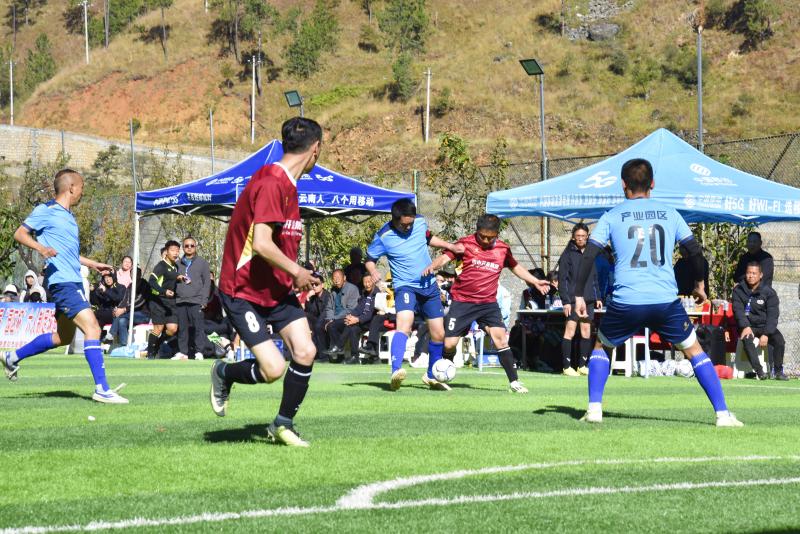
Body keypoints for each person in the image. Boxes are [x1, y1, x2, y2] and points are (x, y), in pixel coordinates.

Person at [573, 158, 742, 427]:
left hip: (627, 300)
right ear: (652, 183)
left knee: (601, 346)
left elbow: (589, 254)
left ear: (623, 185)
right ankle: (722, 414)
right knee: (694, 350)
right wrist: (700, 283)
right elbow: (694, 251)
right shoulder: (670, 213)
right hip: (664, 301)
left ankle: (594, 409)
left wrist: (578, 295)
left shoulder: (612, 215)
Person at [210, 116, 321, 447]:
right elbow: (261, 244)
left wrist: (295, 276)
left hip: (275, 290)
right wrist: (297, 271)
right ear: (316, 149)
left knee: (305, 351)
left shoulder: (287, 185)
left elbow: (279, 244)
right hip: (242, 290)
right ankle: (223, 373)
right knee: (273, 369)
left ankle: (282, 425)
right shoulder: (273, 182)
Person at [2, 168, 128, 403]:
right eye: (81, 188)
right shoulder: (46, 210)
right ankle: (102, 388)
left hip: (71, 280)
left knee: (63, 337)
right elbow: (20, 234)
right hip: (62, 283)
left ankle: (12, 357)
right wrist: (41, 248)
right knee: (93, 328)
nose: (82, 192)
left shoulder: (69, 216)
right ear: (71, 188)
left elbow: (69, 254)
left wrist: (93, 264)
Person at [426, 213, 549, 393]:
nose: (485, 240)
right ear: (477, 231)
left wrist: (535, 281)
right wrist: (433, 266)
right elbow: (445, 257)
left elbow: (515, 267)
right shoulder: (465, 244)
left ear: (497, 234)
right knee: (449, 344)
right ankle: (442, 374)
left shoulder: (503, 249)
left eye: (490, 237)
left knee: (500, 338)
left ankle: (514, 382)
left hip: (488, 303)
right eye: (482, 236)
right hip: (463, 302)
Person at [365, 198, 462, 391]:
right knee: (405, 324)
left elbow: (428, 238)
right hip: (405, 286)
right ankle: (395, 371)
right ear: (394, 220)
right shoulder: (383, 236)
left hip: (429, 286)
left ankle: (431, 375)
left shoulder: (419, 221)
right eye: (404, 225)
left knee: (439, 333)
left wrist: (450, 246)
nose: (408, 227)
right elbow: (369, 259)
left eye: (410, 223)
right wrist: (373, 271)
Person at [558, 223, 602, 377]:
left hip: (589, 299)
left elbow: (594, 277)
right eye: (578, 236)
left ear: (588, 237)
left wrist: (598, 297)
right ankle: (566, 367)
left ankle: (582, 366)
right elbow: (562, 280)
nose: (581, 239)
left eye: (583, 236)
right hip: (572, 300)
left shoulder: (590, 254)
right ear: (573, 237)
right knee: (569, 331)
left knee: (586, 332)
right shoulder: (567, 255)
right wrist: (565, 301)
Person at [731, 262, 787, 381]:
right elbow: (738, 311)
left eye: (754, 273)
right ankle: (759, 371)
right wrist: (745, 326)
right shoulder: (738, 290)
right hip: (747, 326)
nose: (750, 276)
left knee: (779, 340)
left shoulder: (769, 292)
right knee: (747, 339)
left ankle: (778, 371)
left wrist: (766, 333)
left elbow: (773, 315)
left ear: (760, 275)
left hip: (764, 326)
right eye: (748, 273)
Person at [329, 273, 380, 364]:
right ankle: (354, 357)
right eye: (365, 282)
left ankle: (339, 347)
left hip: (370, 322)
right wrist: (350, 316)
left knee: (350, 326)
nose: (367, 284)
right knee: (336, 325)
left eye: (369, 282)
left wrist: (357, 319)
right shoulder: (364, 293)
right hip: (360, 321)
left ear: (373, 282)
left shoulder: (378, 294)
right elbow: (358, 308)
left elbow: (370, 314)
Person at [175, 236, 212, 361]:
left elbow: (207, 283)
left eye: (192, 245)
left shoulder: (202, 262)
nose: (189, 248)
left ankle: (199, 352)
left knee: (198, 328)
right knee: (182, 329)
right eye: (186, 246)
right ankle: (183, 352)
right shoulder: (177, 263)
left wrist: (204, 300)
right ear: (183, 248)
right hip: (181, 300)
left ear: (195, 247)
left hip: (196, 300)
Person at [146, 242, 180, 359]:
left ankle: (157, 346)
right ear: (166, 252)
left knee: (172, 329)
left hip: (170, 302)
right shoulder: (161, 266)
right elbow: (151, 281)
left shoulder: (175, 267)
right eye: (173, 250)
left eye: (177, 250)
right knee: (158, 328)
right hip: (158, 301)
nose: (175, 253)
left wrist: (180, 279)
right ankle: (150, 353)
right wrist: (164, 291)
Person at [322, 268, 360, 359]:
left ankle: (339, 348)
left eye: (338, 277)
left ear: (344, 278)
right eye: (334, 278)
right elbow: (329, 307)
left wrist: (334, 319)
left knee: (334, 325)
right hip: (336, 319)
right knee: (329, 326)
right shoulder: (333, 291)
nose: (336, 280)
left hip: (348, 317)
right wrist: (330, 319)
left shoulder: (352, 289)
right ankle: (338, 352)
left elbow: (350, 309)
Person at [110, 267, 150, 346]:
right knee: (121, 321)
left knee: (120, 315)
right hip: (130, 314)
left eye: (136, 273)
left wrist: (124, 310)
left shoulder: (145, 285)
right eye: (132, 273)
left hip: (143, 314)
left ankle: (111, 334)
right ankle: (124, 345)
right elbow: (125, 300)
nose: (134, 275)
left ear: (140, 274)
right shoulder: (130, 286)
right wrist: (118, 308)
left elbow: (140, 301)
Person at [303, 271, 331, 359]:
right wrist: (308, 298)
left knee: (318, 326)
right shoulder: (313, 297)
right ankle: (309, 352)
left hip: (328, 319)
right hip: (318, 319)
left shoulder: (328, 296)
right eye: (312, 285)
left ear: (322, 285)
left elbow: (326, 313)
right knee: (304, 316)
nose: (314, 286)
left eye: (316, 284)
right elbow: (310, 312)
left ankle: (323, 355)